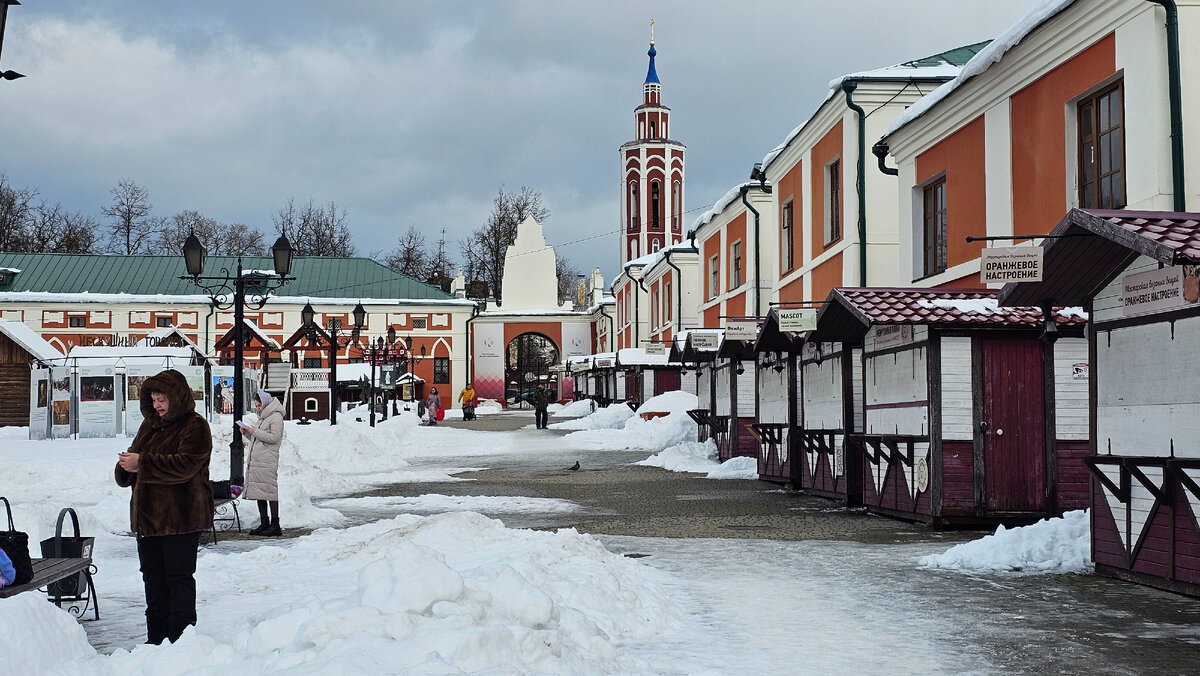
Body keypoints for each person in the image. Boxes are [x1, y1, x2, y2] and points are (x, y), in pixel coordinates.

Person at [115, 368, 213, 645]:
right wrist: (125, 466)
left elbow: (186, 465)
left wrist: (142, 463)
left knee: (178, 579)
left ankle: (180, 642)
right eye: (154, 399)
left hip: (181, 518)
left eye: (163, 399)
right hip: (148, 521)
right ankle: (155, 640)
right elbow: (136, 456)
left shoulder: (195, 425)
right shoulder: (150, 425)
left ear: (177, 397)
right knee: (153, 581)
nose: (158, 405)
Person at [242, 391, 284, 537]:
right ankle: (264, 523)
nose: (257, 408)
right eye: (256, 406)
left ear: (266, 403)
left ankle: (275, 525)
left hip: (267, 460)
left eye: (259, 406)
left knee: (270, 491)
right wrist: (247, 433)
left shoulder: (276, 417)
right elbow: (259, 437)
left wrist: (255, 431)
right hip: (259, 461)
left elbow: (274, 437)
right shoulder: (263, 417)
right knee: (259, 491)